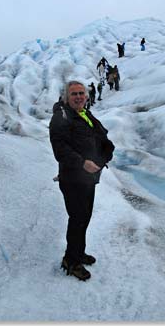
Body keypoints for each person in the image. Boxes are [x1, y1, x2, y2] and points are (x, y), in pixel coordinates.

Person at [49, 81, 115, 281]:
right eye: (74, 94)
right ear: (66, 98)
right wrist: (82, 163)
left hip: (87, 179)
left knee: (83, 218)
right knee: (78, 219)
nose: (78, 97)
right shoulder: (61, 117)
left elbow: (100, 138)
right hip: (73, 178)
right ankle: (71, 261)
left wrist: (105, 153)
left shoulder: (84, 114)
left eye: (81, 93)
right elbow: (60, 149)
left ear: (86, 96)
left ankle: (78, 252)